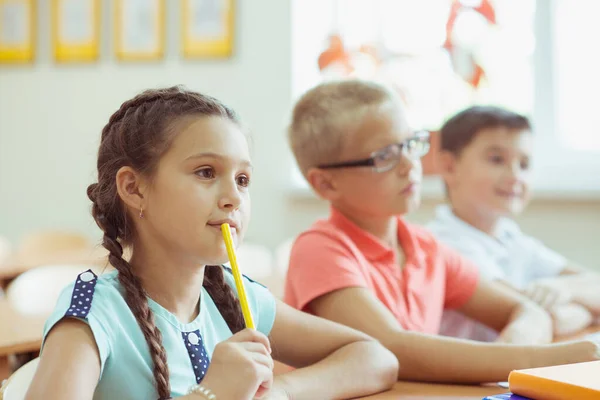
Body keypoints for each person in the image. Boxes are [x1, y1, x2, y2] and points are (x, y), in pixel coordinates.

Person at [26, 86, 398, 400]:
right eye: (206, 172)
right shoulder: (93, 314)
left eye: (243, 179)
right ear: (134, 188)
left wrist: (279, 393)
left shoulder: (237, 298)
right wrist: (212, 393)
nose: (233, 197)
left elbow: (374, 357)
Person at [284, 79, 600, 384]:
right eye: (385, 156)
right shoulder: (319, 249)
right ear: (326, 183)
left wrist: (510, 354)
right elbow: (391, 349)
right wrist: (539, 359)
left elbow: (526, 310)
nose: (410, 165)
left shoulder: (427, 247)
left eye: (410, 144)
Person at [427, 105, 600, 341]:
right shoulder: (442, 243)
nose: (515, 175)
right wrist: (586, 310)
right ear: (449, 166)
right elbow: (542, 320)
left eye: (525, 163)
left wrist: (565, 289)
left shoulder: (511, 238)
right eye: (497, 159)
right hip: (470, 375)